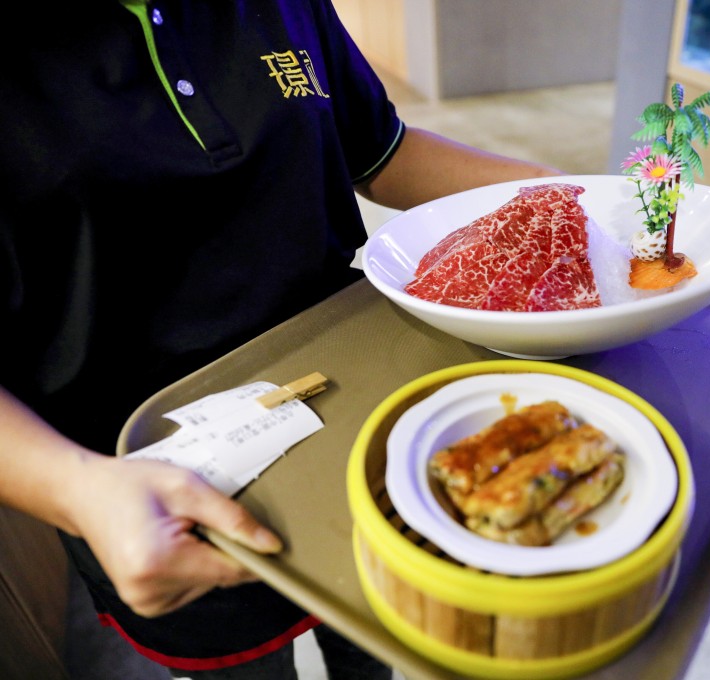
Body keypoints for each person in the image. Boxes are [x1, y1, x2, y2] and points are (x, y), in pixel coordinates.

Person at [0, 1, 562, 677]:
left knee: (376, 629)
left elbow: (380, 151)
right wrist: (76, 487)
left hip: (356, 395)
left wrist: (556, 194)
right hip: (157, 471)